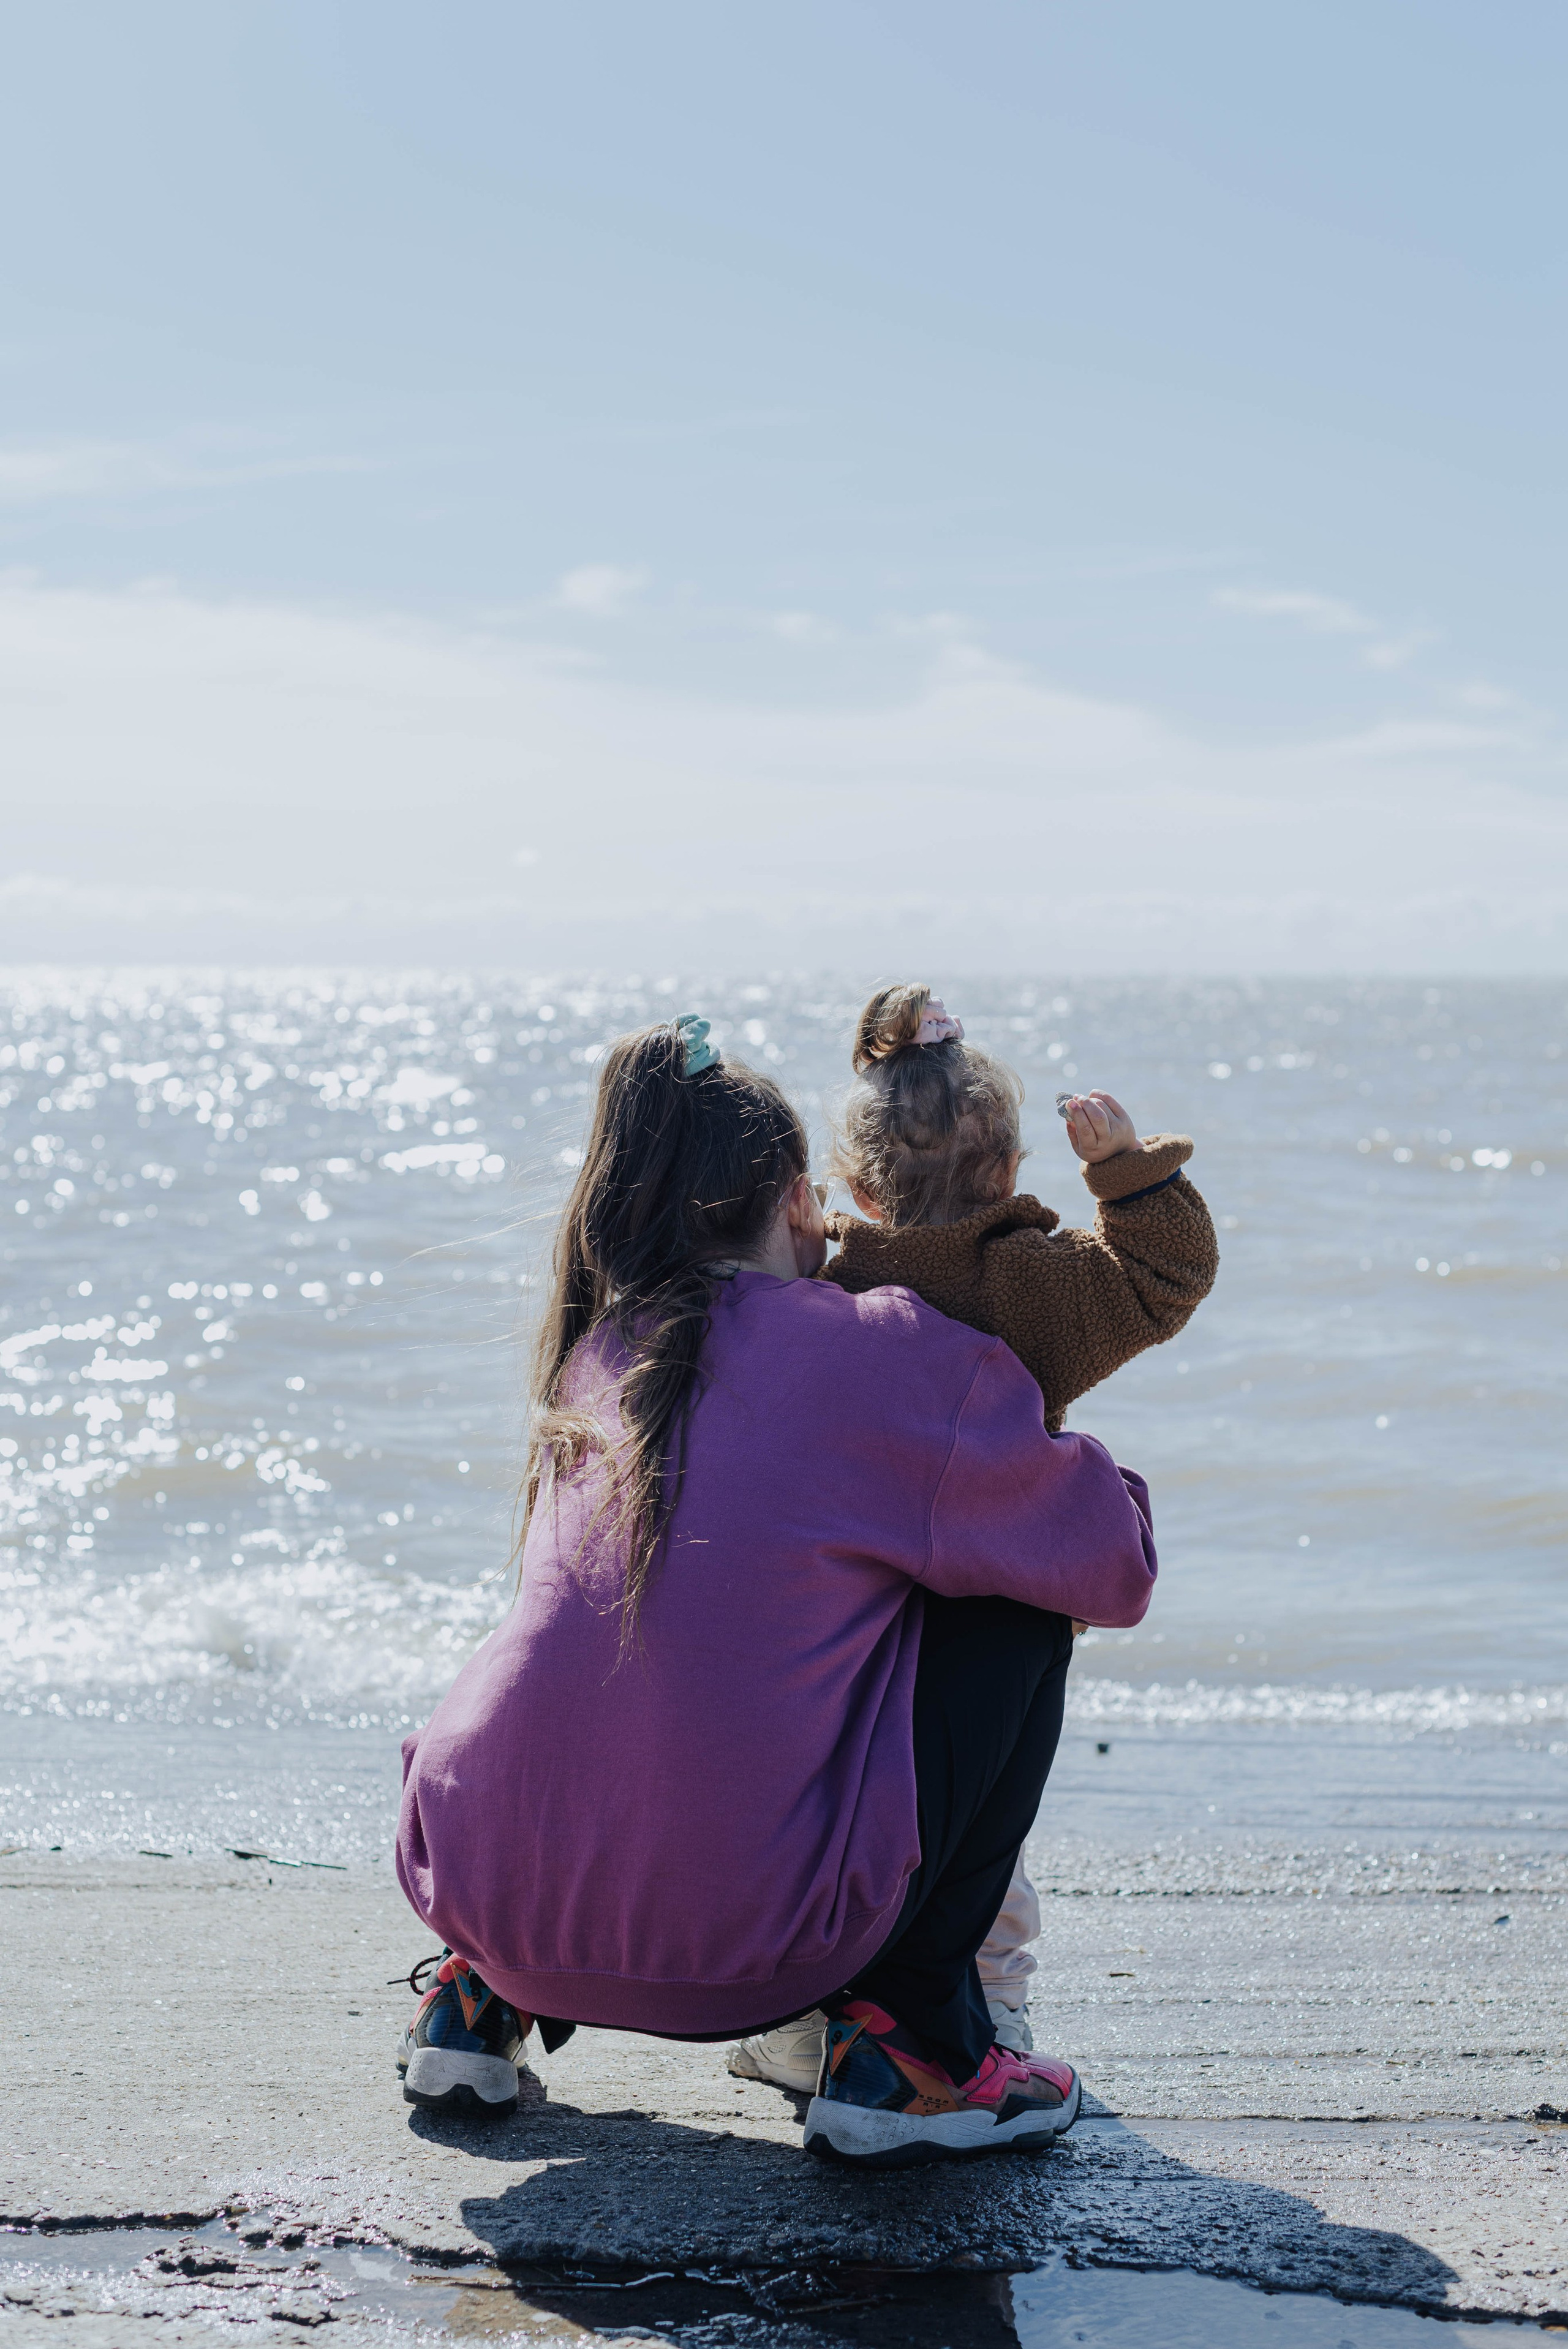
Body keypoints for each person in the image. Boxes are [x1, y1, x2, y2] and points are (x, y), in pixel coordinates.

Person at [395, 1014, 1159, 2166]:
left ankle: (473, 2003)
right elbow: (1111, 1565)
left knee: (629, 1639)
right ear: (805, 1203)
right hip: (747, 1947)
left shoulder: (601, 1353)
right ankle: (915, 2052)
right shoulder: (877, 1346)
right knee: (1010, 1605)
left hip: (483, 1892)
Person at [729, 981, 1218, 2095]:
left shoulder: (831, 1284)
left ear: (855, 1183)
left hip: (842, 1612)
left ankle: (810, 2023)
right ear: (1008, 1172)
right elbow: (1169, 1272)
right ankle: (978, 2021)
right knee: (980, 1844)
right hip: (990, 1602)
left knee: (843, 1807)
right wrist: (1126, 1170)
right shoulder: (1036, 1290)